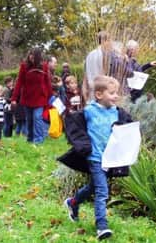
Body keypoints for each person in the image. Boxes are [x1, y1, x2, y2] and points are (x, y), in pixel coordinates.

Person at [61, 76, 133, 240]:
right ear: (99, 95)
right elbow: (74, 123)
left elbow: (128, 129)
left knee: (93, 187)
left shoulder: (117, 113)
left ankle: (73, 202)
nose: (116, 96)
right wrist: (83, 145)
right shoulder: (89, 111)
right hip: (95, 157)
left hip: (110, 159)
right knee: (102, 191)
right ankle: (102, 226)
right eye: (112, 93)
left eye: (117, 93)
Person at [11, 47, 52, 144]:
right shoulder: (24, 66)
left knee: (37, 118)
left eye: (34, 56)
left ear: (38, 57)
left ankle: (39, 140)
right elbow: (19, 83)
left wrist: (50, 97)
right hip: (27, 98)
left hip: (40, 98)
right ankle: (30, 138)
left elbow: (47, 83)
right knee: (29, 119)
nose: (31, 57)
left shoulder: (44, 67)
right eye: (30, 55)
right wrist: (14, 98)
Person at [84, 31, 110, 100]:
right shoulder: (105, 54)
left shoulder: (89, 54)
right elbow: (105, 72)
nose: (110, 43)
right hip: (101, 89)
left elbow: (86, 75)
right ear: (104, 41)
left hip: (91, 88)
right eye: (108, 41)